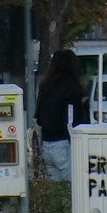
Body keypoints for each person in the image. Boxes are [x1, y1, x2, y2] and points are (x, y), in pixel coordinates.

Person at [35, 46, 89, 180]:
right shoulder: (72, 90)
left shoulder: (45, 88)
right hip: (65, 146)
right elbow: (70, 122)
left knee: (56, 193)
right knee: (74, 189)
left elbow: (39, 119)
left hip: (47, 146)